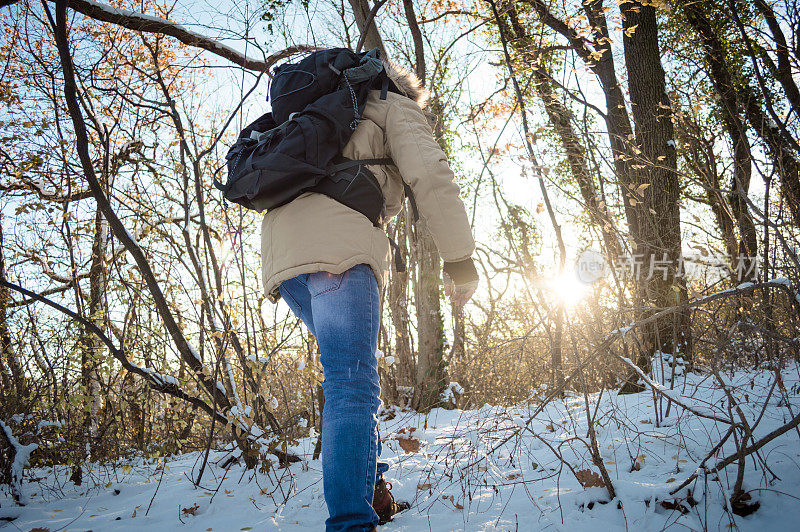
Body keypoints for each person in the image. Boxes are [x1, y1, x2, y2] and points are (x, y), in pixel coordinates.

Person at [260, 55, 478, 532]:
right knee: (352, 383)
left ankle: (373, 490)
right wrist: (459, 260)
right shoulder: (390, 104)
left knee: (348, 378)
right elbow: (431, 175)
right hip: (338, 250)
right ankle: (351, 523)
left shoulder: (313, 112)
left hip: (284, 260)